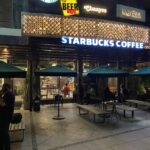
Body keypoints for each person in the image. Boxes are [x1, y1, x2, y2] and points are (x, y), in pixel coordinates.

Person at [0, 83, 15, 150]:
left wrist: (0, 95)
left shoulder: (8, 95)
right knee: (3, 133)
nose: (2, 89)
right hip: (6, 117)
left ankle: (6, 147)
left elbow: (2, 104)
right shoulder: (9, 94)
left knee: (4, 133)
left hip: (5, 117)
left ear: (6, 88)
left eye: (3, 88)